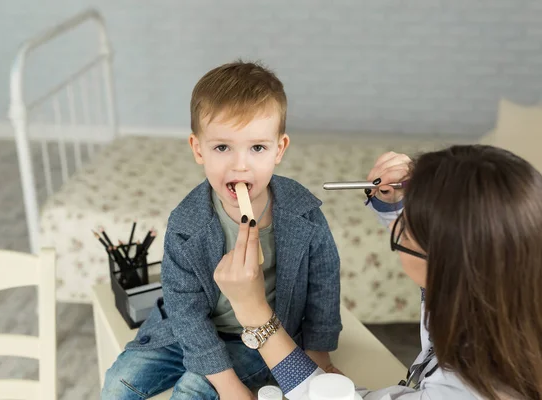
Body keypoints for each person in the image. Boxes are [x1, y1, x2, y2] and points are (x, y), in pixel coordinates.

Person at [214, 145, 542, 400]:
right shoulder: (507, 271)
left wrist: (255, 314)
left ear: (449, 263)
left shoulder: (471, 387)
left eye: (405, 232)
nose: (396, 232)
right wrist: (397, 200)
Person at [101, 60, 344, 400]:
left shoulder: (304, 215)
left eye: (257, 147)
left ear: (279, 149)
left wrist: (319, 352)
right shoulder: (187, 224)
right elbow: (184, 309)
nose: (240, 164)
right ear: (198, 149)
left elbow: (324, 284)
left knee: (192, 390)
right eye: (222, 147)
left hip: (262, 334)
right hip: (188, 329)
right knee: (118, 383)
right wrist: (229, 385)